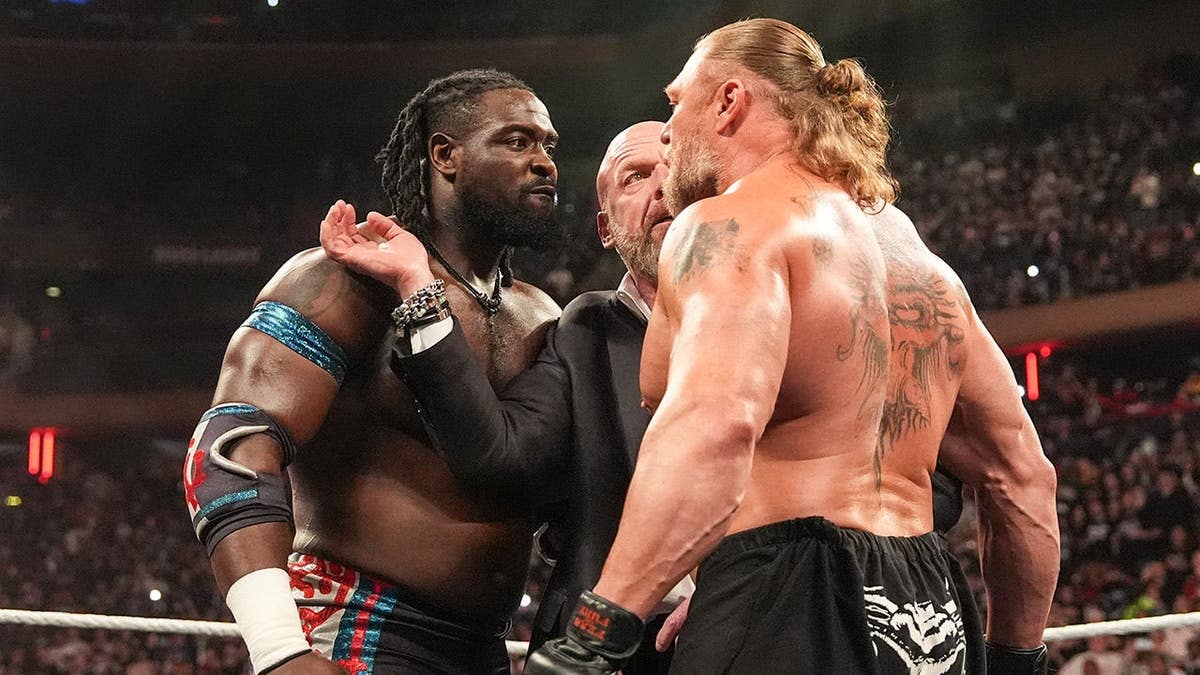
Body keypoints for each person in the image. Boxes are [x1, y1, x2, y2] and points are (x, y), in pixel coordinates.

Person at [324, 121, 973, 673]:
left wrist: (760, 575)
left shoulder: (812, 310)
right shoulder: (586, 330)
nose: (663, 186)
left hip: (787, 629)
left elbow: (925, 484)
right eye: (634, 177)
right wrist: (418, 289)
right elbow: (498, 456)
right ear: (606, 228)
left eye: (678, 167)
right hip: (614, 649)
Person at [524, 18, 1059, 675]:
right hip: (929, 609)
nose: (667, 136)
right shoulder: (923, 267)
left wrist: (595, 630)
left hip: (786, 592)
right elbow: (1024, 480)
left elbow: (714, 430)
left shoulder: (728, 224)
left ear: (728, 102)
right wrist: (1013, 659)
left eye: (675, 103)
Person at [183, 68, 561, 675]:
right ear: (445, 155)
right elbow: (228, 448)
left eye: (549, 145)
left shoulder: (541, 314)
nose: (544, 162)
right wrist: (278, 649)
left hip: (485, 649)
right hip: (361, 627)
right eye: (517, 141)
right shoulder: (346, 279)